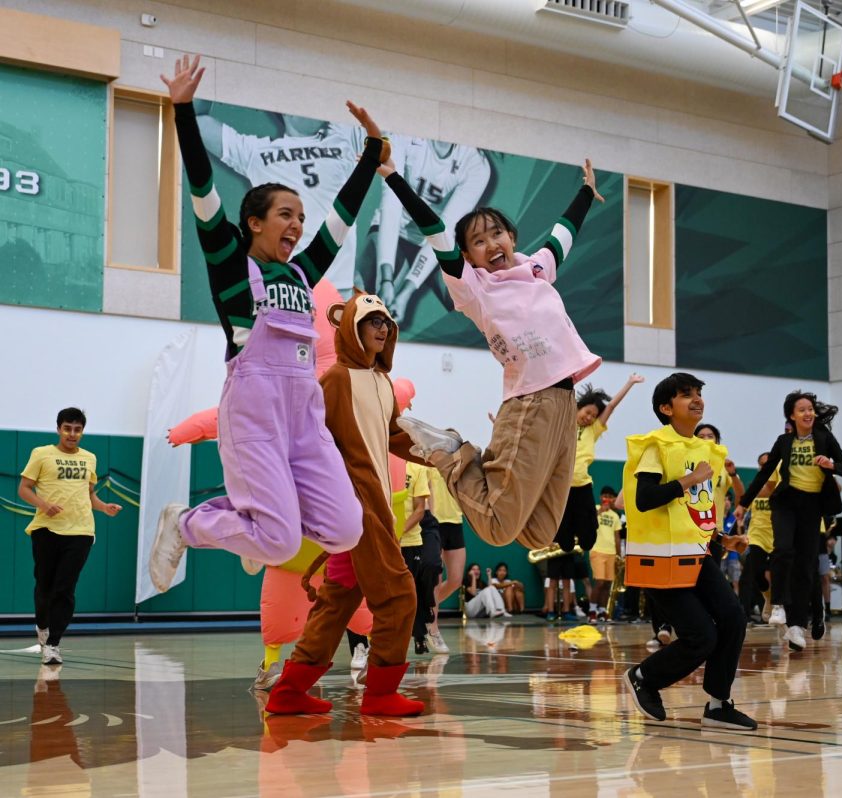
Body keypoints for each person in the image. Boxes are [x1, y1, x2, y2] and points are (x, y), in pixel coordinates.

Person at [149, 55, 387, 590]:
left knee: (346, 529)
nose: (298, 225)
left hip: (303, 412)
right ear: (254, 222)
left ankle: (252, 525)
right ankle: (188, 523)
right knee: (280, 542)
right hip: (254, 411)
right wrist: (184, 111)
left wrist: (372, 153)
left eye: (301, 217)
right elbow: (203, 191)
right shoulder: (232, 266)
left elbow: (343, 217)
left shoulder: (302, 274)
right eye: (286, 214)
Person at [378, 150, 606, 553]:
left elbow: (563, 232)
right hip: (530, 402)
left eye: (497, 233)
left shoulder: (536, 268)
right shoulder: (473, 288)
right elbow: (435, 230)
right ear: (468, 256)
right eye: (478, 241)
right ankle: (452, 454)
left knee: (539, 536)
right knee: (499, 528)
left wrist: (587, 191)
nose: (491, 243)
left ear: (512, 237)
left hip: (564, 406)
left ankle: (469, 461)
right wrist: (395, 176)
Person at [265, 293, 423, 718]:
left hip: (374, 508)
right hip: (355, 506)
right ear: (351, 327)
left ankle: (289, 692)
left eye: (386, 323)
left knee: (336, 602)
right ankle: (379, 693)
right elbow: (304, 436)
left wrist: (444, 452)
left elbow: (393, 437)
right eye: (372, 322)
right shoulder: (335, 379)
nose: (382, 329)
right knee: (399, 596)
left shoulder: (383, 383)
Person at [622, 373, 756, 731]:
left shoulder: (704, 450)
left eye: (698, 393)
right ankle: (644, 677)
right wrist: (689, 480)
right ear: (666, 408)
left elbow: (696, 512)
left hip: (697, 553)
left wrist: (722, 539)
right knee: (701, 637)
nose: (696, 399)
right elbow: (645, 498)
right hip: (660, 560)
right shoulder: (655, 446)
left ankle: (718, 703)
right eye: (686, 395)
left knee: (733, 618)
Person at [192, 104, 377, 296]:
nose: (319, 106)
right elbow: (196, 118)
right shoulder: (256, 152)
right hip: (294, 288)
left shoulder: (343, 139)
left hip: (341, 288)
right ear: (286, 109)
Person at [735, 390, 842, 652]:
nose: (808, 413)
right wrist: (743, 504)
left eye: (810, 408)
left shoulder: (824, 438)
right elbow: (765, 473)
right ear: (792, 416)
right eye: (802, 410)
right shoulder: (784, 441)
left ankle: (797, 626)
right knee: (783, 549)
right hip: (786, 503)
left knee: (805, 565)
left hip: (812, 507)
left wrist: (831, 464)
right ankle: (777, 605)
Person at [17, 408, 122, 666]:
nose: (72, 434)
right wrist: (44, 505)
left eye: (77, 429)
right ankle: (42, 625)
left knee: (65, 588)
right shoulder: (42, 454)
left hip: (81, 531)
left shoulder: (89, 458)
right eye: (67, 428)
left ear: (82, 431)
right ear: (58, 429)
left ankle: (53, 645)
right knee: (45, 586)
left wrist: (103, 506)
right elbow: (24, 488)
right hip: (47, 529)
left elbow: (89, 494)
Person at [368, 137, 492, 324]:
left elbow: (445, 232)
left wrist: (405, 293)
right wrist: (385, 278)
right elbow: (391, 205)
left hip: (433, 242)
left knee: (464, 304)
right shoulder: (401, 137)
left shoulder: (477, 164)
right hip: (397, 228)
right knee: (361, 287)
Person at [550, 375, 644, 618]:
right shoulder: (562, 422)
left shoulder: (593, 430)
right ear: (578, 407)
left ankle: (581, 539)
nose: (589, 417)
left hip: (582, 485)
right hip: (561, 486)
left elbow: (610, 406)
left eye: (593, 415)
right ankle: (565, 539)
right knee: (566, 538)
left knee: (588, 537)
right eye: (587, 412)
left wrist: (630, 383)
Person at [398, 463, 439, 655]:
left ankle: (420, 631)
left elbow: (420, 509)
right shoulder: (383, 461)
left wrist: (397, 532)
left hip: (411, 537)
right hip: (388, 538)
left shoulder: (417, 468)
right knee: (399, 592)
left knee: (420, 580)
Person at [427, 465, 464, 653]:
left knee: (456, 579)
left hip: (455, 521)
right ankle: (433, 629)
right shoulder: (426, 462)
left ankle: (424, 611)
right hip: (435, 522)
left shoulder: (455, 462)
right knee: (436, 580)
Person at [737, 453, 775, 623]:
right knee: (756, 573)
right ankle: (767, 597)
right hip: (756, 536)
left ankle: (781, 608)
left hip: (777, 536)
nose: (763, 467)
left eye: (766, 464)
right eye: (760, 464)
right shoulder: (754, 487)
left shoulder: (780, 485)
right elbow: (744, 509)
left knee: (781, 576)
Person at [589, 486, 622, 621]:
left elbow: (617, 537)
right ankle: (592, 611)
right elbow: (588, 524)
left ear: (613, 499)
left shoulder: (615, 516)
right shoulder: (595, 510)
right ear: (600, 497)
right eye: (604, 496)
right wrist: (600, 512)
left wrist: (618, 554)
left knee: (608, 583)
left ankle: (602, 611)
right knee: (600, 582)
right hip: (597, 550)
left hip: (611, 553)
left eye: (609, 496)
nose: (607, 499)